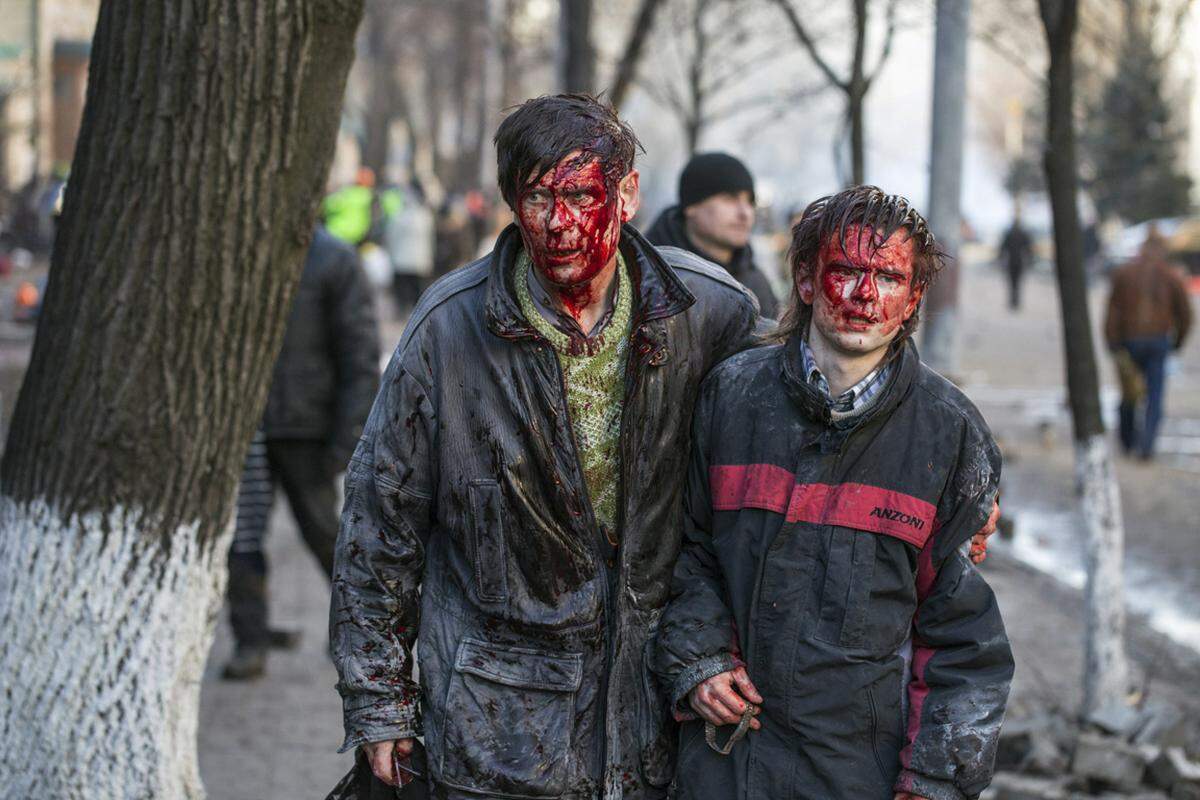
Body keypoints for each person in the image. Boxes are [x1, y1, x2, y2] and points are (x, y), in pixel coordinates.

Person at [654, 186, 1014, 800]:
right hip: (722, 767)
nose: (862, 296)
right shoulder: (731, 399)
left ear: (915, 297)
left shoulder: (948, 433)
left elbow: (963, 642)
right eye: (844, 270)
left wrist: (931, 783)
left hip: (853, 775)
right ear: (805, 279)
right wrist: (699, 659)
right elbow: (686, 553)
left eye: (887, 277)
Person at [222, 227, 380, 680]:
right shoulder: (237, 249)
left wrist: (349, 433)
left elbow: (359, 351)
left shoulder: (331, 258)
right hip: (246, 426)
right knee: (242, 536)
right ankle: (249, 639)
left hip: (306, 426)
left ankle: (360, 636)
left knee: (328, 536)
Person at [646, 152, 779, 317]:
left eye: (750, 201)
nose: (745, 213)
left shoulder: (756, 282)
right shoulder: (649, 275)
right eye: (730, 199)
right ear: (691, 206)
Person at [1104, 230, 1192, 460]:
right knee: (1154, 394)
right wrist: (1177, 342)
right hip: (1157, 341)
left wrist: (1112, 342)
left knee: (1130, 392)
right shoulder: (1170, 276)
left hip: (1130, 340)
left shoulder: (1125, 274)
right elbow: (1186, 315)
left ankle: (1128, 441)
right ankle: (1146, 446)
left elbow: (1113, 311)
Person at [998, 216, 1033, 310]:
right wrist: (1030, 260)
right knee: (1017, 283)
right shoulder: (1022, 234)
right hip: (1018, 261)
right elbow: (1029, 249)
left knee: (1012, 283)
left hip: (1012, 262)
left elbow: (1002, 248)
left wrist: (1000, 259)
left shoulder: (1010, 234)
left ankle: (1013, 302)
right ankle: (1015, 302)